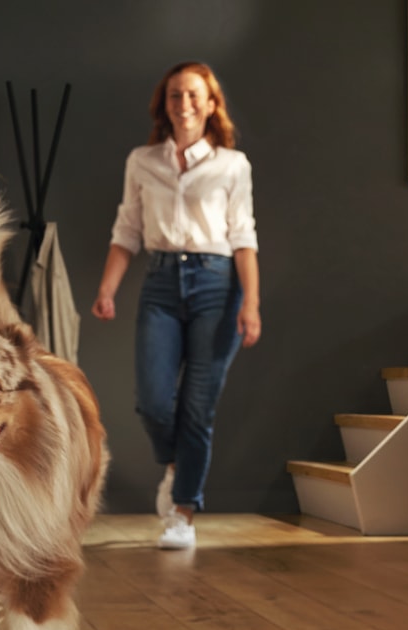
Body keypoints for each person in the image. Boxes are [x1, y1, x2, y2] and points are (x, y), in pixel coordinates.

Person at [92, 60, 261, 551]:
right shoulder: (142, 161)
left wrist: (251, 302)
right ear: (163, 106)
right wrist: (107, 289)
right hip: (160, 283)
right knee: (152, 401)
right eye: (174, 96)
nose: (183, 104)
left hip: (217, 283)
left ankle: (183, 512)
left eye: (193, 95)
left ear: (211, 105)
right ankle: (176, 463)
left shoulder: (233, 165)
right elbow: (126, 230)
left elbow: (244, 236)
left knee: (197, 409)